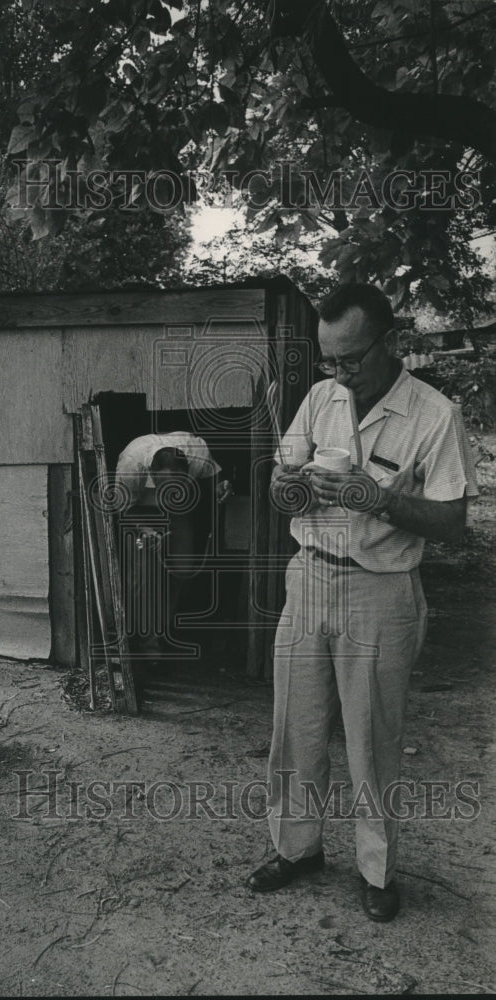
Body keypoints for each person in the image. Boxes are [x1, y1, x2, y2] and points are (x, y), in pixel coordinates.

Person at [247, 283, 479, 921]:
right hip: (309, 576)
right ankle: (297, 849)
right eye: (329, 360)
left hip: (381, 589)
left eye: (350, 359)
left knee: (372, 739)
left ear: (390, 342)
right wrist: (286, 484)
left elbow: (453, 521)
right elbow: (280, 491)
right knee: (295, 728)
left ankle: (377, 871)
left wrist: (378, 500)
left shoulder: (434, 414)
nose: (339, 374)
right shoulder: (320, 398)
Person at [114, 432, 231, 677]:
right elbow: (123, 510)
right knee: (143, 580)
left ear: (188, 473)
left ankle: (166, 630)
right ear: (151, 474)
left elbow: (215, 477)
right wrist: (145, 530)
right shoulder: (132, 464)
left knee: (182, 570)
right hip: (141, 511)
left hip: (180, 509)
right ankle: (148, 648)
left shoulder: (198, 453)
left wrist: (221, 487)